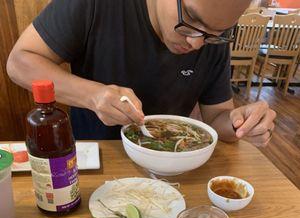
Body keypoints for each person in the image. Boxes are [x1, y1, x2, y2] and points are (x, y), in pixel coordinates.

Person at [7, 0, 276, 146]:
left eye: (216, 33)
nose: (196, 43)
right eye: (192, 20)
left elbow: (217, 117)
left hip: (171, 167)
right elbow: (19, 62)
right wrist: (93, 95)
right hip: (94, 159)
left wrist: (241, 124)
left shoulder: (210, 40)